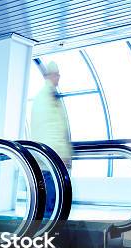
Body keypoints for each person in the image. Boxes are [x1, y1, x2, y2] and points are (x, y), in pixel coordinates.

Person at [29, 61, 73, 221]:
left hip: (45, 159)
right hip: (51, 159)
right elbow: (53, 128)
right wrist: (60, 154)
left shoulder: (43, 96)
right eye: (57, 74)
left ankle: (46, 240)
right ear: (51, 75)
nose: (59, 77)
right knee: (52, 204)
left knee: (49, 203)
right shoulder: (49, 96)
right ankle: (48, 241)